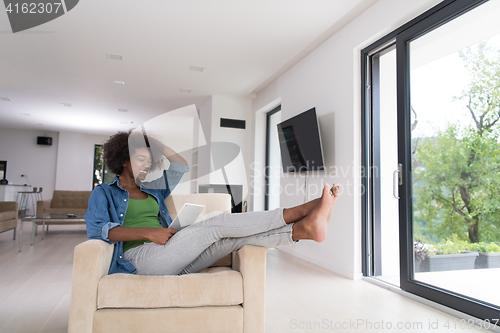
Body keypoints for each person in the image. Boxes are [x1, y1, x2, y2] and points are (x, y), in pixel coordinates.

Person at [85, 130, 339, 276]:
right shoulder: (104, 193)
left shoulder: (153, 190)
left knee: (232, 242)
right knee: (216, 223)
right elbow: (98, 230)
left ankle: (302, 230)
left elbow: (180, 165)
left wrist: (153, 143)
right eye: (141, 158)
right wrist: (149, 232)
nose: (147, 165)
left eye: (150, 160)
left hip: (172, 257)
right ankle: (303, 209)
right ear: (124, 159)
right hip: (138, 259)